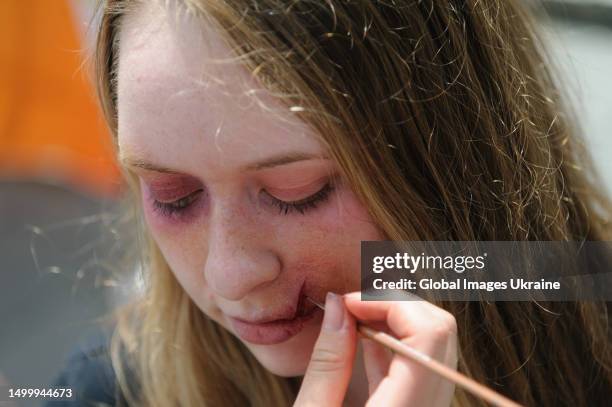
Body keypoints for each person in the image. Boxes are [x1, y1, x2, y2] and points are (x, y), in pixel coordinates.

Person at [48, 0, 611, 406]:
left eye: (298, 193)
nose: (232, 274)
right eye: (173, 197)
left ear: (450, 154)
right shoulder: (104, 392)